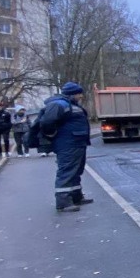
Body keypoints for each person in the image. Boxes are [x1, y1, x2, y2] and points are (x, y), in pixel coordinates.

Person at [39, 82, 93, 212]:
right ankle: (63, 202)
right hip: (67, 144)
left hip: (77, 143)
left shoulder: (70, 104)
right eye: (79, 93)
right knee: (67, 171)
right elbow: (47, 123)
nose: (81, 96)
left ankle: (76, 196)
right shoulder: (59, 104)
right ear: (73, 93)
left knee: (76, 171)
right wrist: (54, 136)